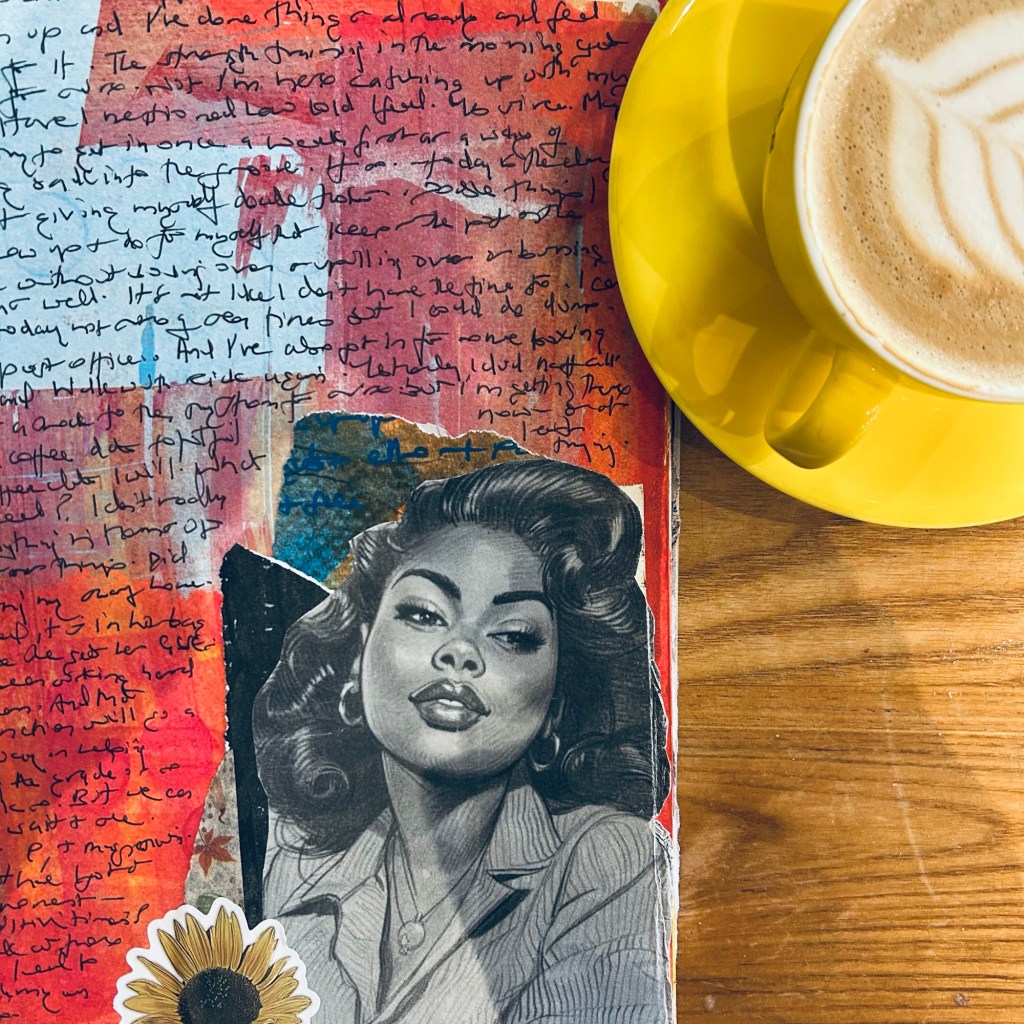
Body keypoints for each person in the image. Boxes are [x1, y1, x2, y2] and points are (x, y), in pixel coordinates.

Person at [253, 458, 673, 1024]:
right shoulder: (290, 855)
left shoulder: (610, 862)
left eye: (514, 636)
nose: (460, 651)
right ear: (358, 655)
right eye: (424, 614)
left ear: (557, 706)